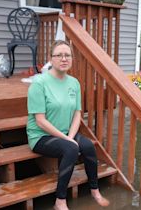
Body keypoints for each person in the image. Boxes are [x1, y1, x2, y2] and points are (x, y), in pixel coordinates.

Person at [27, 40, 109, 210]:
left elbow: (77, 114)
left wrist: (70, 137)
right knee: (71, 149)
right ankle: (60, 200)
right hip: (41, 135)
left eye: (67, 55)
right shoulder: (39, 83)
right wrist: (68, 141)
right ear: (51, 58)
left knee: (88, 147)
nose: (64, 59)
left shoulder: (74, 83)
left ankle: (94, 190)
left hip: (65, 132)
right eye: (59, 55)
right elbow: (40, 121)